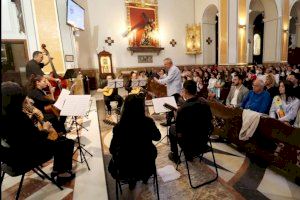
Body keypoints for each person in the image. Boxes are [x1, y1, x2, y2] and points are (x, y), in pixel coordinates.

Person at [1, 81, 75, 185]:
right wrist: (45, 129)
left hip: (9, 159)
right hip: (24, 159)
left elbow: (24, 139)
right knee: (67, 143)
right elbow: (37, 141)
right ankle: (61, 174)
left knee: (60, 141)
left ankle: (57, 169)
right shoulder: (19, 118)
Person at [108, 94, 161, 189]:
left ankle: (131, 181)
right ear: (142, 108)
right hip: (146, 165)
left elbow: (112, 150)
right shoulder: (148, 122)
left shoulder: (119, 127)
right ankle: (145, 177)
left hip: (125, 169)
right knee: (147, 154)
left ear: (125, 108)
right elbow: (157, 137)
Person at [168, 80, 213, 163]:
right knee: (193, 128)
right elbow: (210, 120)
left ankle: (175, 155)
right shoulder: (205, 102)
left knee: (172, 128)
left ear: (185, 91)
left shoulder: (183, 108)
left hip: (189, 144)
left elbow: (179, 131)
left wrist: (176, 115)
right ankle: (189, 155)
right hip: (203, 141)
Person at [154, 58, 182, 126]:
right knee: (171, 106)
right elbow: (168, 79)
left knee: (170, 106)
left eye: (165, 64)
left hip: (174, 90)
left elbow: (169, 79)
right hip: (172, 90)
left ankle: (169, 121)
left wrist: (158, 81)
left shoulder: (174, 69)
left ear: (170, 63)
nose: (164, 65)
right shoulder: (171, 69)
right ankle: (171, 121)